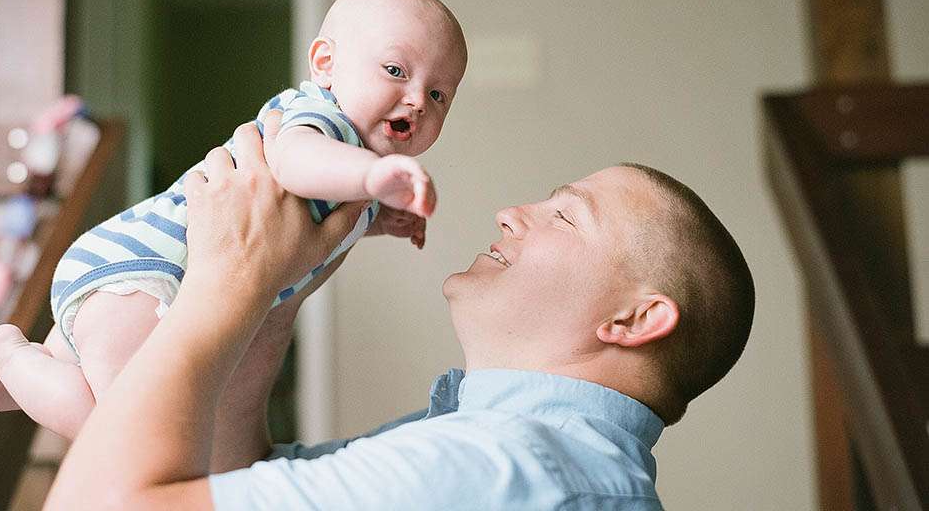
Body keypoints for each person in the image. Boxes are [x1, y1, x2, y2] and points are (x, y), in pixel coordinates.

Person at [44, 112, 755, 510]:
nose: (513, 213)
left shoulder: (511, 470)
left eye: (567, 218)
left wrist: (221, 283)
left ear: (633, 321)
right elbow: (236, 476)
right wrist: (274, 291)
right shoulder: (489, 444)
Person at [0, 0, 468, 471]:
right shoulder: (321, 120)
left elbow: (318, 209)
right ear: (325, 65)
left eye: (439, 93)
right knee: (126, 431)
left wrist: (381, 218)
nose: (416, 100)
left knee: (94, 390)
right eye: (395, 70)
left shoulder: (351, 161)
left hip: (143, 280)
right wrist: (372, 177)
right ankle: (8, 357)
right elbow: (296, 162)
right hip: (141, 271)